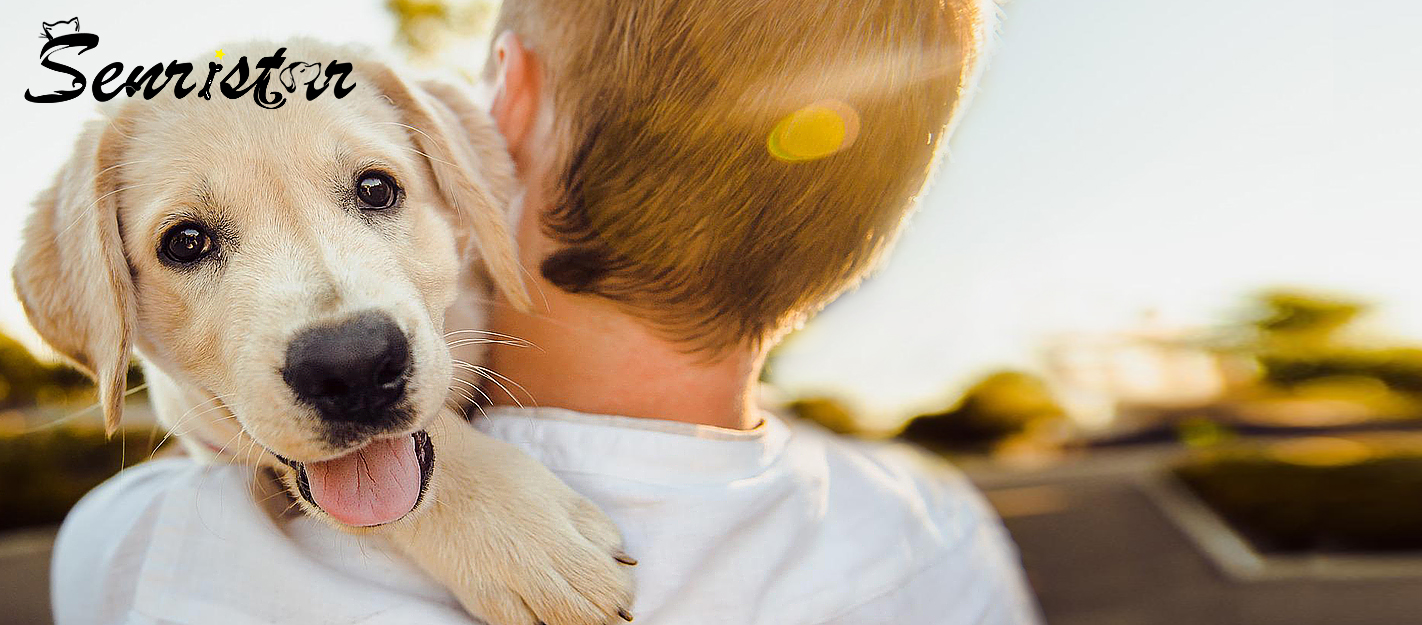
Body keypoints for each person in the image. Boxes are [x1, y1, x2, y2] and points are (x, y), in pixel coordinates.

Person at [51, 0, 1041, 623]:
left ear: (495, 126)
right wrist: (450, 488)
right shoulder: (945, 532)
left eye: (374, 190)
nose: (343, 335)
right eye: (190, 242)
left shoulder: (140, 554)